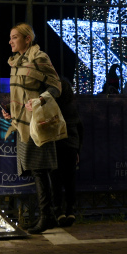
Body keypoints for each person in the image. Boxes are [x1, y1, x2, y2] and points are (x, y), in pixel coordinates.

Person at [1, 23, 62, 234]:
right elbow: (21, 93)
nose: (10, 41)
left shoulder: (39, 58)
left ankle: (47, 217)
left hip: (37, 122)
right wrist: (12, 110)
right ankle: (48, 216)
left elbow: (56, 86)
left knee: (40, 170)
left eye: (15, 37)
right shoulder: (16, 62)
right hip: (22, 123)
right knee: (36, 171)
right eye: (10, 37)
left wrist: (41, 101)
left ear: (28, 39)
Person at [51, 76, 83, 227]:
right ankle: (71, 210)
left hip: (55, 146)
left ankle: (58, 211)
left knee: (55, 180)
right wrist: (77, 149)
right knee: (70, 180)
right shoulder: (71, 107)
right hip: (70, 147)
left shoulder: (53, 107)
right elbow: (79, 129)